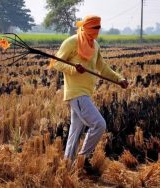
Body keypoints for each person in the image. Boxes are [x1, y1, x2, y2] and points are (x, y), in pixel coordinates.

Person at [50, 15, 128, 166]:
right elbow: (57, 63)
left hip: (85, 93)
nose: (97, 31)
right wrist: (74, 68)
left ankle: (67, 165)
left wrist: (119, 79)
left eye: (99, 28)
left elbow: (102, 68)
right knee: (99, 124)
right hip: (76, 93)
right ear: (86, 27)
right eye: (95, 28)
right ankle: (82, 159)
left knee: (75, 132)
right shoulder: (72, 42)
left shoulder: (95, 45)